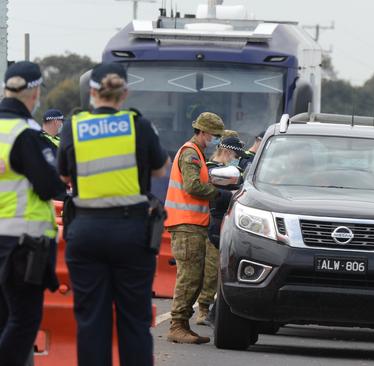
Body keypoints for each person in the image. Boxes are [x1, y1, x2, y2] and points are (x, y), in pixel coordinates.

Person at [58, 62, 169, 366]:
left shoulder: (74, 126)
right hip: (132, 232)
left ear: (92, 92)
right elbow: (161, 168)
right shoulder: (138, 125)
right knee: (134, 320)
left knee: (92, 320)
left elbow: (64, 177)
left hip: (86, 231)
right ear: (125, 93)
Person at [0, 61, 65, 366]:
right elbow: (50, 185)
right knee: (24, 321)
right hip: (21, 245)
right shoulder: (26, 133)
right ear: (35, 91)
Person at [165, 112, 230, 343]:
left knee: (194, 276)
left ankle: (182, 324)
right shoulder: (191, 153)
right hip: (186, 224)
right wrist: (219, 194)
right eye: (214, 135)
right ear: (202, 132)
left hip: (191, 224)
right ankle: (177, 325)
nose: (215, 140)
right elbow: (192, 186)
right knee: (189, 277)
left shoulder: (196, 153)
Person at [196, 136, 245, 326]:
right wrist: (230, 195)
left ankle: (214, 310)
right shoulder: (210, 169)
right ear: (226, 151)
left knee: (224, 269)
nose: (236, 158)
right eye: (234, 154)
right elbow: (213, 196)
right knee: (211, 269)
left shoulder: (236, 170)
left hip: (231, 223)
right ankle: (203, 309)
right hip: (213, 221)